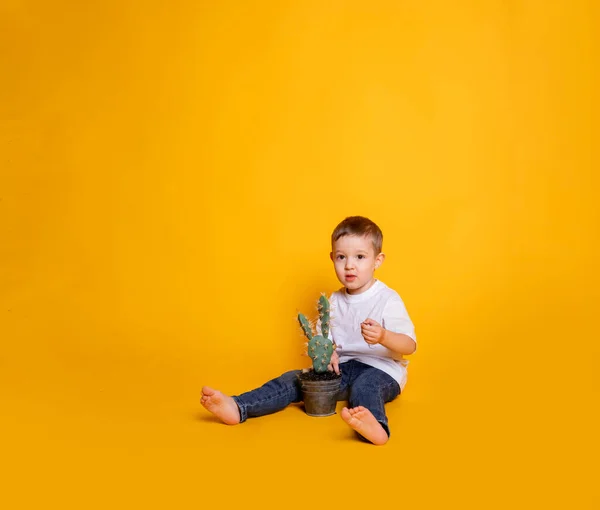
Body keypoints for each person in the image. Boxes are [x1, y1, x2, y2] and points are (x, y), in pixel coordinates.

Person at [200, 216, 417, 445]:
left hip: (382, 369)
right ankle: (239, 406)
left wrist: (384, 336)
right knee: (295, 380)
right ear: (332, 258)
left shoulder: (387, 298)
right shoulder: (334, 300)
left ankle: (377, 427)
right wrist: (330, 352)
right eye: (341, 257)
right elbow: (327, 341)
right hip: (343, 368)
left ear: (377, 260)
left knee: (365, 388)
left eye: (360, 257)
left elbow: (409, 346)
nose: (349, 265)